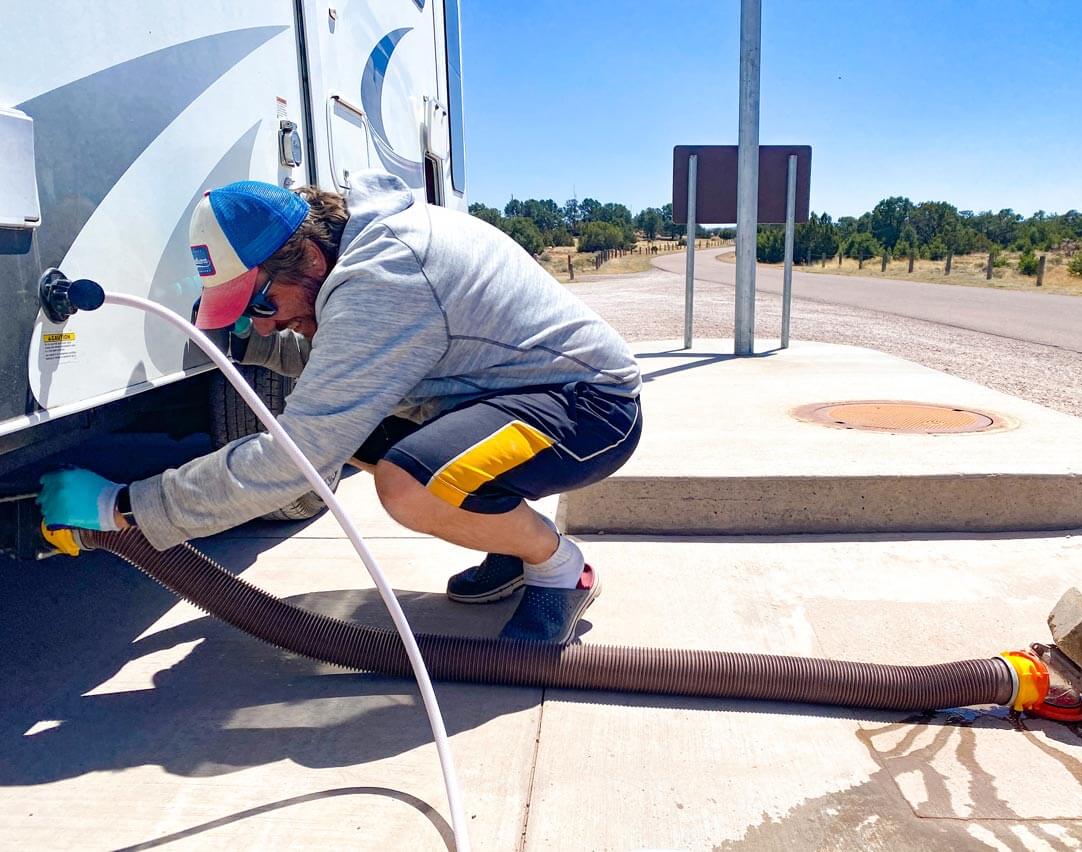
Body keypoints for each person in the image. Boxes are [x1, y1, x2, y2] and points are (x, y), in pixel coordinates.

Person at [38, 171, 643, 643]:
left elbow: (295, 458)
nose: (263, 320)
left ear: (308, 258)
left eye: (261, 304)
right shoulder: (361, 253)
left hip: (593, 409)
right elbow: (355, 371)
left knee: (411, 486)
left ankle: (560, 568)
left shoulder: (385, 275)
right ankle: (509, 541)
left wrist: (125, 508)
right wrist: (259, 341)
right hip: (512, 397)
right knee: (361, 435)